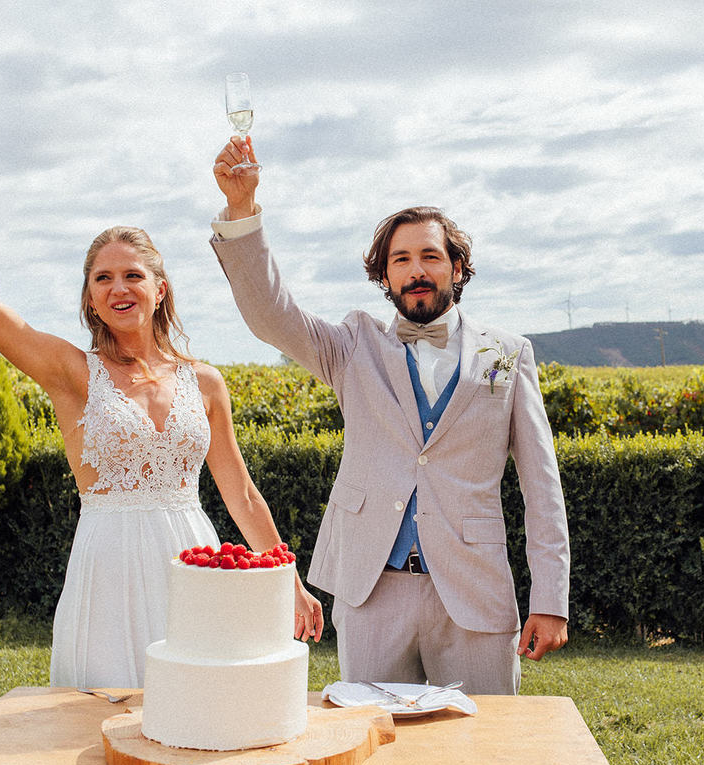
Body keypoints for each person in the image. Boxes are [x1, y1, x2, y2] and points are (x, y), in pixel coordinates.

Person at [0, 129, 323, 689]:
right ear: (89, 298)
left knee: (195, 707)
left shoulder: (205, 382)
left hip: (191, 561)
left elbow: (242, 493)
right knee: (100, 719)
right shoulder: (72, 373)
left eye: (132, 275)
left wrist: (286, 579)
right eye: (102, 278)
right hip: (108, 564)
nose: (118, 287)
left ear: (160, 289)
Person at [209, 136, 570, 695]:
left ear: (456, 267)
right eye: (401, 259)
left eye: (430, 256)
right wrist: (241, 211)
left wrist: (551, 599)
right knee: (373, 755)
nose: (416, 270)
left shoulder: (507, 354)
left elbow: (542, 486)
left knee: (479, 760)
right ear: (385, 275)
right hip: (372, 590)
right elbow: (270, 315)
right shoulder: (354, 345)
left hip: (474, 593)